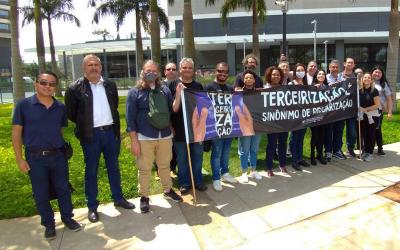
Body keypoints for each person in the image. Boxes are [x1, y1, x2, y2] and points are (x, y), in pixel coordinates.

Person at [65, 54, 134, 223]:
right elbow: (72, 114)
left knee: (114, 168)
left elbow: (114, 105)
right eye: (90, 65)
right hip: (91, 135)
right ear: (84, 68)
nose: (94, 67)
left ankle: (118, 198)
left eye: (96, 64)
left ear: (101, 67)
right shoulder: (75, 89)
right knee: (91, 171)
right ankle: (92, 206)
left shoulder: (110, 85)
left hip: (111, 134)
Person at [12, 72, 81, 240]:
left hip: (58, 156)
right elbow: (16, 133)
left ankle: (67, 218)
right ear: (36, 84)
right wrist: (19, 158)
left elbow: (59, 130)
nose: (47, 86)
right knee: (41, 192)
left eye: (51, 84)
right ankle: (49, 224)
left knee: (63, 189)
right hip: (35, 158)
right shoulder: (24, 106)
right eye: (44, 82)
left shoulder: (60, 107)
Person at [126, 60, 182, 213]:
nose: (150, 73)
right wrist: (134, 141)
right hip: (144, 136)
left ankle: (168, 190)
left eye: (154, 70)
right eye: (147, 70)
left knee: (165, 165)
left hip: (164, 135)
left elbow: (174, 109)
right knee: (144, 168)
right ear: (142, 72)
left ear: (158, 73)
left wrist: (178, 94)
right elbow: (130, 119)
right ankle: (144, 196)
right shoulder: (134, 92)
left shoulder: (164, 90)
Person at [169, 57, 208, 195]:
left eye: (189, 68)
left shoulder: (198, 87)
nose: (187, 70)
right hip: (180, 129)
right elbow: (173, 109)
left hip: (196, 130)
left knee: (197, 156)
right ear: (180, 69)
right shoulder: (172, 85)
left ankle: (198, 181)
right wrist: (179, 93)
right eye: (184, 67)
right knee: (182, 158)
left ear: (193, 70)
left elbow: (204, 109)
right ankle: (184, 183)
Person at [205, 62, 238, 191]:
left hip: (228, 125)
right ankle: (216, 178)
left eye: (225, 72)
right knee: (217, 152)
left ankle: (225, 173)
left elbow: (235, 105)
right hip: (215, 126)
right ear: (216, 71)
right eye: (220, 71)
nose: (222, 74)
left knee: (225, 151)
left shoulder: (230, 88)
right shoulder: (209, 87)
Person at [236, 70, 262, 183]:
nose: (248, 79)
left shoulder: (259, 92)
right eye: (246, 78)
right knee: (244, 150)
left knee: (254, 149)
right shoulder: (238, 93)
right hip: (244, 126)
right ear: (243, 80)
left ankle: (253, 170)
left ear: (254, 80)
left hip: (257, 125)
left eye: (250, 78)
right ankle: (244, 172)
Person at [264, 66, 288, 177]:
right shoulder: (265, 88)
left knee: (283, 143)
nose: (276, 76)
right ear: (269, 76)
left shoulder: (285, 88)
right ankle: (269, 167)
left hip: (283, 120)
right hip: (271, 121)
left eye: (278, 75)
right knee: (271, 145)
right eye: (273, 74)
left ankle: (282, 164)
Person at [289, 63, 310, 171]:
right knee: (294, 138)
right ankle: (294, 160)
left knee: (301, 138)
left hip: (305, 115)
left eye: (302, 70)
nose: (300, 72)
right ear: (294, 72)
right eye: (298, 70)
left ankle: (300, 158)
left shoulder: (306, 84)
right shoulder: (291, 83)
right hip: (295, 116)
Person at [325, 59, 346, 161]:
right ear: (329, 68)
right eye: (333, 67)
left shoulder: (343, 78)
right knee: (329, 131)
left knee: (339, 131)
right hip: (329, 111)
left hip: (340, 110)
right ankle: (328, 151)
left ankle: (337, 150)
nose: (334, 69)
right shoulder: (325, 78)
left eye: (336, 67)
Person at [371, 65, 393, 155]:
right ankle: (369, 148)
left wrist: (390, 112)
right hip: (367, 110)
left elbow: (389, 99)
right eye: (375, 72)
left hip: (378, 111)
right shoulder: (367, 80)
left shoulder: (383, 84)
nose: (377, 74)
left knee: (377, 129)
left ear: (382, 74)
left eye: (379, 72)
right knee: (368, 129)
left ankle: (380, 148)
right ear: (372, 72)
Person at [359, 73, 380, 161]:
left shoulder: (374, 90)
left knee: (371, 134)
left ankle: (370, 153)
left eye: (369, 78)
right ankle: (366, 151)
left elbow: (377, 105)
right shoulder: (360, 91)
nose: (367, 79)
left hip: (372, 116)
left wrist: (365, 109)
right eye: (365, 77)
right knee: (364, 134)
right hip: (362, 116)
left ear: (371, 80)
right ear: (362, 79)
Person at [310, 70, 328, 165]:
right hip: (314, 116)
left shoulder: (327, 87)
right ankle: (312, 155)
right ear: (316, 76)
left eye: (323, 74)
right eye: (319, 74)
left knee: (322, 136)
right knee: (315, 136)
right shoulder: (312, 86)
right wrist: (313, 88)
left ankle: (319, 154)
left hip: (324, 116)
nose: (321, 75)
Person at [340, 58, 357, 157]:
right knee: (339, 130)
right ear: (344, 64)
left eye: (352, 62)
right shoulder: (339, 76)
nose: (350, 64)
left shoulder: (357, 77)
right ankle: (338, 149)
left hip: (352, 108)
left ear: (354, 65)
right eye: (348, 62)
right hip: (340, 108)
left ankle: (350, 148)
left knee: (352, 131)